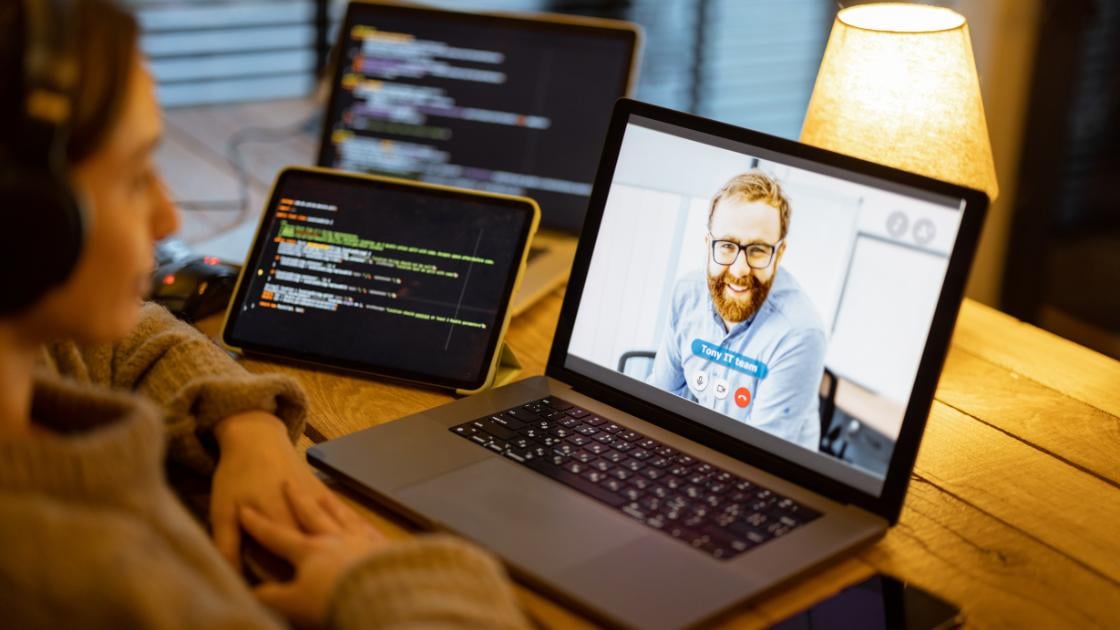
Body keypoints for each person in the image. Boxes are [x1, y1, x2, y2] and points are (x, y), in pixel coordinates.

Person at [0, 1, 528, 627]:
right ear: (32, 223)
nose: (169, 219)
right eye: (137, 175)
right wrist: (369, 582)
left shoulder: (35, 363)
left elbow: (121, 340)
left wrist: (244, 422)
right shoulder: (89, 581)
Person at [647, 171, 826, 451]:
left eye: (757, 250)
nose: (740, 270)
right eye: (728, 246)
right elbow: (658, 398)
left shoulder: (800, 332)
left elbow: (759, 458)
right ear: (709, 245)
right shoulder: (686, 294)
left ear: (778, 254)